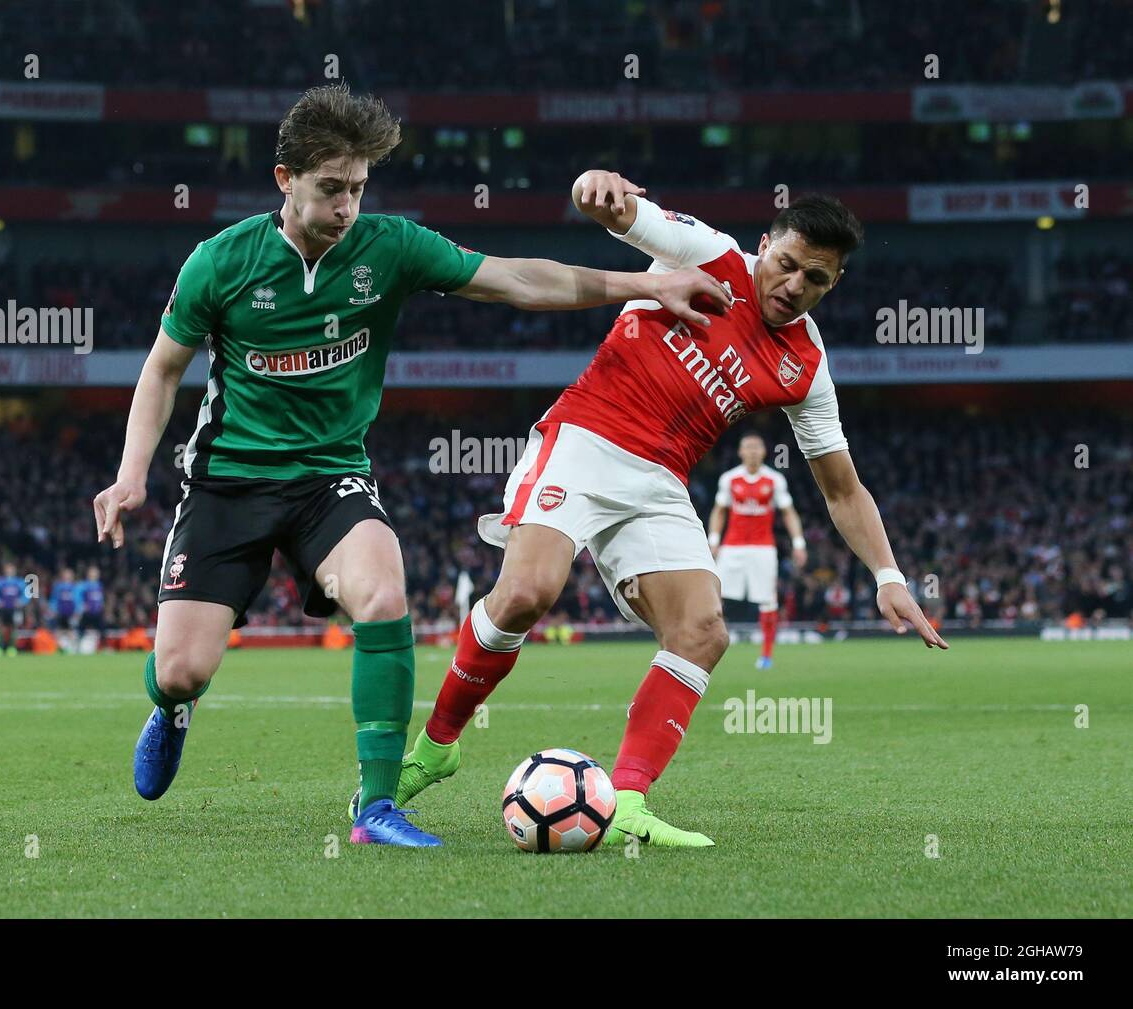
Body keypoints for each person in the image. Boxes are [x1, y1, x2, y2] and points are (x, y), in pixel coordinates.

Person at [91, 87, 732, 848]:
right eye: (330, 189)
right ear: (284, 179)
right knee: (183, 669)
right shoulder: (220, 263)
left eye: (357, 189)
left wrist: (649, 283)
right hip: (228, 480)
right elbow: (163, 368)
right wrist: (134, 473)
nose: (346, 208)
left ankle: (377, 804)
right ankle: (170, 709)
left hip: (330, 477)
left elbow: (517, 279)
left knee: (383, 590)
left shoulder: (388, 247)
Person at [390, 169, 948, 847]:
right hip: (587, 438)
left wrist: (889, 577)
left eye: (816, 279)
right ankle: (438, 743)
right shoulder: (707, 253)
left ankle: (626, 800)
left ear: (834, 285)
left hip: (659, 479)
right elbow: (620, 213)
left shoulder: (805, 365)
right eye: (787, 264)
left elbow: (841, 487)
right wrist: (594, 186)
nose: (794, 285)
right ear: (764, 246)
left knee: (704, 630)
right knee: (527, 592)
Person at [709, 433, 809, 669]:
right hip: (732, 547)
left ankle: (766, 656)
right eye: (748, 447)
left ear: (764, 452)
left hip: (763, 548)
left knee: (768, 600)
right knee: (714, 596)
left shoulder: (774, 480)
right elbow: (719, 510)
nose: (752, 451)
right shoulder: (729, 479)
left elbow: (788, 512)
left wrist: (799, 543)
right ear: (740, 452)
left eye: (756, 447)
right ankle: (708, 646)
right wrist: (713, 540)